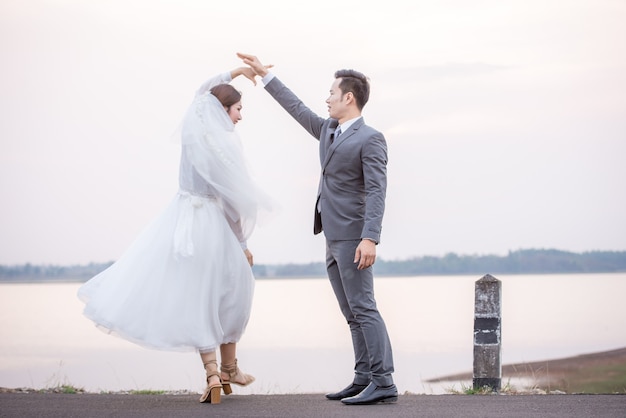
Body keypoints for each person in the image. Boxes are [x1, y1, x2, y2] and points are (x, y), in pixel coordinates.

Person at [77, 65, 273, 405]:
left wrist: (233, 72)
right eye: (238, 109)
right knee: (232, 292)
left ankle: (216, 372)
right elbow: (234, 204)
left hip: (181, 222)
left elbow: (201, 95)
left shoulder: (193, 133)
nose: (241, 116)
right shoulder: (224, 149)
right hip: (211, 224)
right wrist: (242, 244)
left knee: (199, 297)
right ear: (223, 110)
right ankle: (228, 368)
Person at [237, 52, 397, 405]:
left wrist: (370, 237)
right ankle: (363, 377)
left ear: (348, 98)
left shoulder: (370, 139)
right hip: (331, 234)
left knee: (364, 307)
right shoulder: (328, 129)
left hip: (355, 237)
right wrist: (265, 77)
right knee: (350, 312)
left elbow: (376, 190)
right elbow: (297, 109)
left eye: (331, 93)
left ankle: (384, 381)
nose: (326, 99)